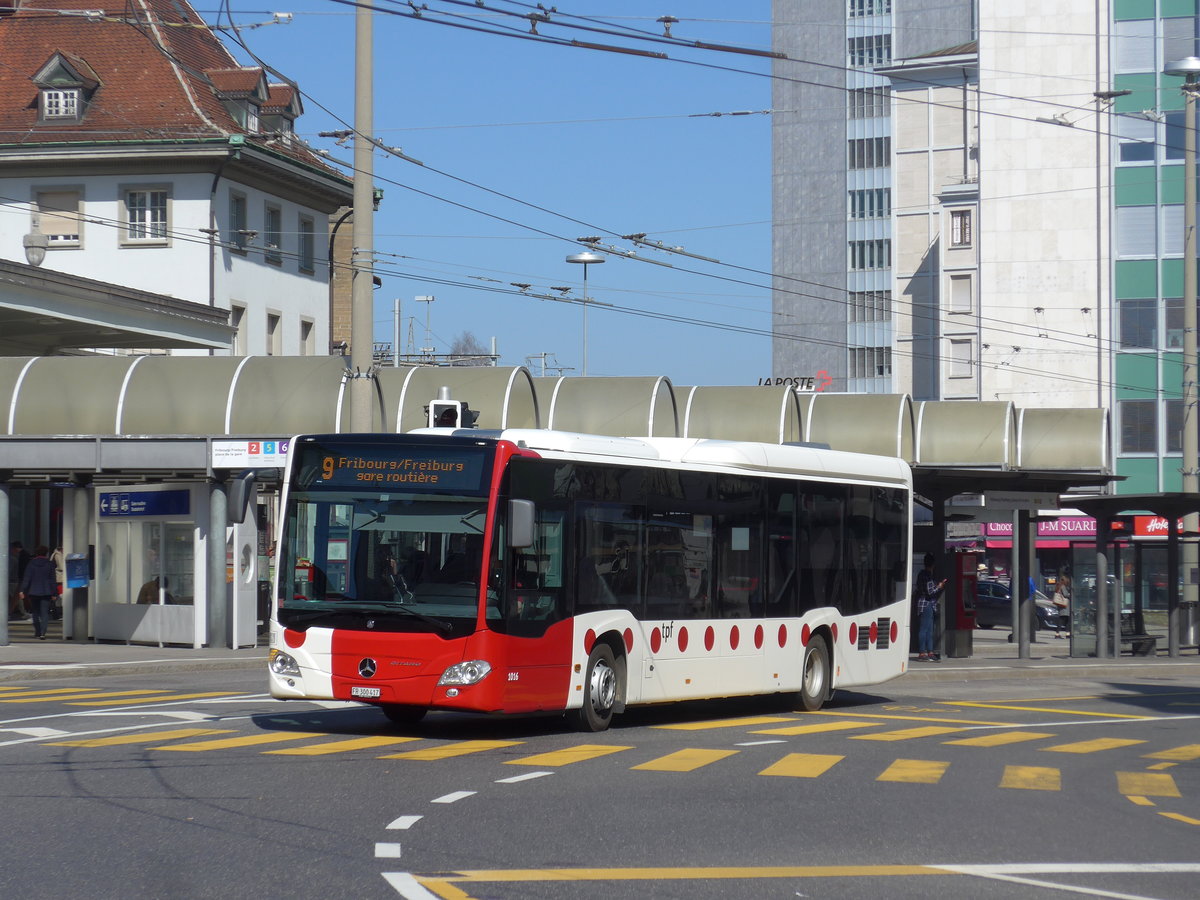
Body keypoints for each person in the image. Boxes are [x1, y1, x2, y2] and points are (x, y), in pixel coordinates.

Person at [913, 552, 947, 661]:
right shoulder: (927, 575)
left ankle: (929, 651)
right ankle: (924, 652)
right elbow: (930, 591)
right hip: (926, 604)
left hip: (925, 604)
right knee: (925, 629)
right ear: (933, 564)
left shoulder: (921, 574)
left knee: (929, 629)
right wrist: (940, 586)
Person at [18, 545, 57, 640]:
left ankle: (37, 632)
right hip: (46, 591)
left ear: (36, 553)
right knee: (44, 613)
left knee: (35, 612)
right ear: (46, 553)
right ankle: (43, 633)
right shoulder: (50, 564)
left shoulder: (31, 563)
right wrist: (54, 593)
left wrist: (22, 590)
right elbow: (52, 580)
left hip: (33, 591)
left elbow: (27, 578)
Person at [9, 540, 31, 621]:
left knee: (18, 596)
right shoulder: (24, 555)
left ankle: (11, 612)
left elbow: (23, 569)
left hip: (22, 579)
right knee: (18, 596)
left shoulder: (22, 556)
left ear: (16, 548)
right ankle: (23, 612)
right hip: (23, 579)